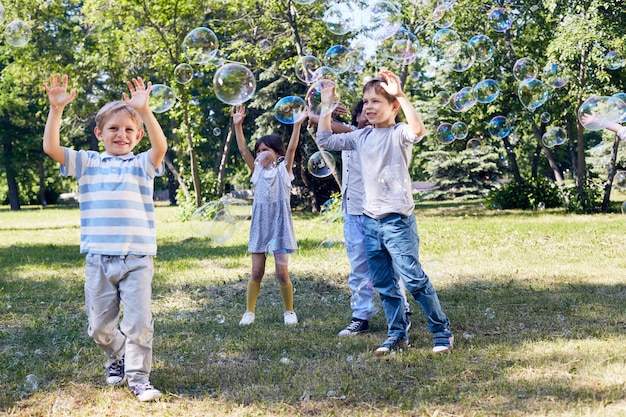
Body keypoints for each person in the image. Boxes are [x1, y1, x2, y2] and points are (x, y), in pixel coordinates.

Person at [43, 74, 167, 401]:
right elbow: (51, 147)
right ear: (99, 134)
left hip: (137, 258)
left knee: (139, 322)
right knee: (99, 329)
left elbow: (161, 146)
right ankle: (118, 355)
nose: (121, 135)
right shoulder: (88, 163)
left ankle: (139, 378)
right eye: (113, 128)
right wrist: (56, 110)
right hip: (98, 259)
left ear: (138, 135)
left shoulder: (143, 164)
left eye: (128, 129)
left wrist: (145, 110)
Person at [316, 70, 453, 355]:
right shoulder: (361, 136)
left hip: (397, 222)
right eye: (366, 101)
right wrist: (327, 106)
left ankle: (441, 332)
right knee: (384, 284)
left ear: (392, 107)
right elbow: (326, 139)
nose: (369, 106)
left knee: (413, 280)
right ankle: (397, 334)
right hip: (370, 222)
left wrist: (401, 94)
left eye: (376, 101)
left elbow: (417, 130)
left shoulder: (398, 133)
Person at [310, 103, 412, 337]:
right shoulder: (350, 136)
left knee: (390, 264)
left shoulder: (378, 137)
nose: (368, 117)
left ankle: (402, 312)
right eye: (364, 113)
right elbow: (323, 126)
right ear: (356, 118)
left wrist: (323, 116)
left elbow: (332, 126)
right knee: (358, 267)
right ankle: (360, 316)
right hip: (353, 211)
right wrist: (322, 111)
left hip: (378, 212)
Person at [231, 104, 307, 327]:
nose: (260, 154)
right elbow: (244, 150)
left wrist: (297, 125)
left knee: (282, 272)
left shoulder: (284, 171)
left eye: (265, 150)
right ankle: (249, 312)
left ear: (277, 154)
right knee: (256, 271)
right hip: (260, 226)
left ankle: (289, 311)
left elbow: (292, 149)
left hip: (280, 226)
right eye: (258, 151)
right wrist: (238, 126)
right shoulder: (256, 173)